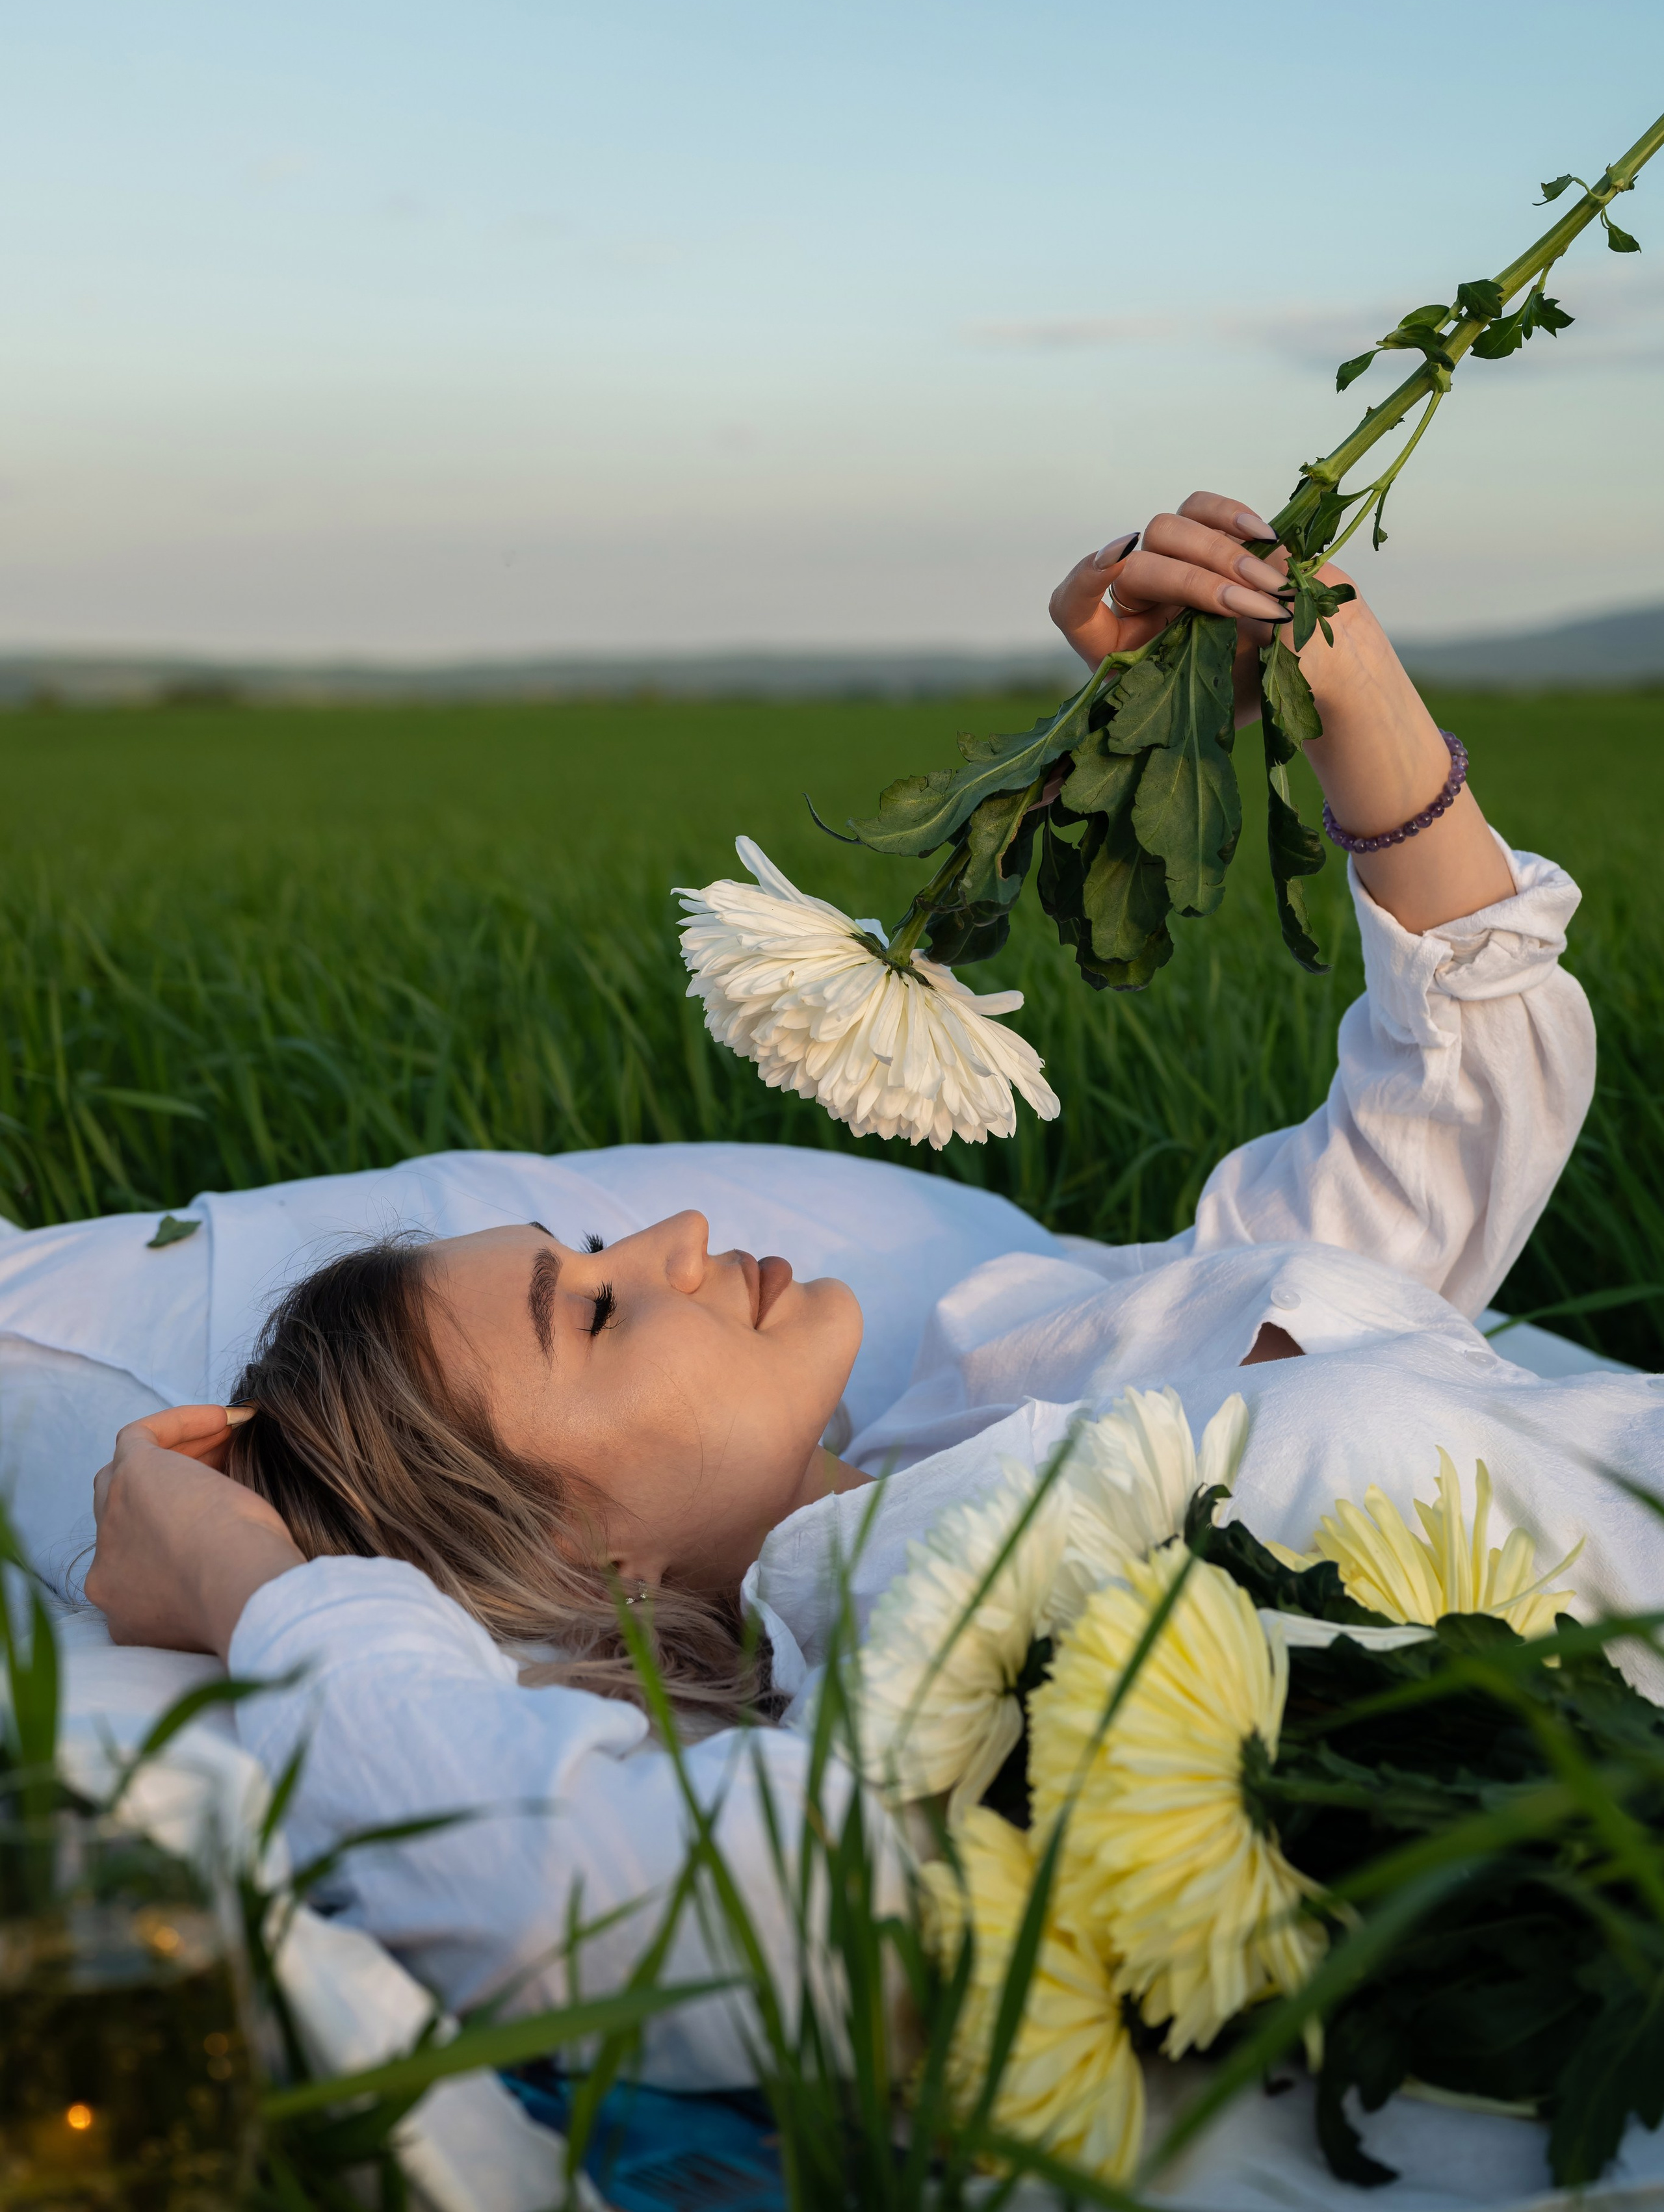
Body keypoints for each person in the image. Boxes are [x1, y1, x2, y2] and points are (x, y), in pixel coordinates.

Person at [84, 490, 1624, 2090]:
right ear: (582, 1564)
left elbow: (1448, 1124)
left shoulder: (995, 1362)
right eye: (597, 1309)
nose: (673, 1229)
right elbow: (589, 1900)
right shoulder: (913, 1677)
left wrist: (1331, 674)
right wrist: (258, 1585)